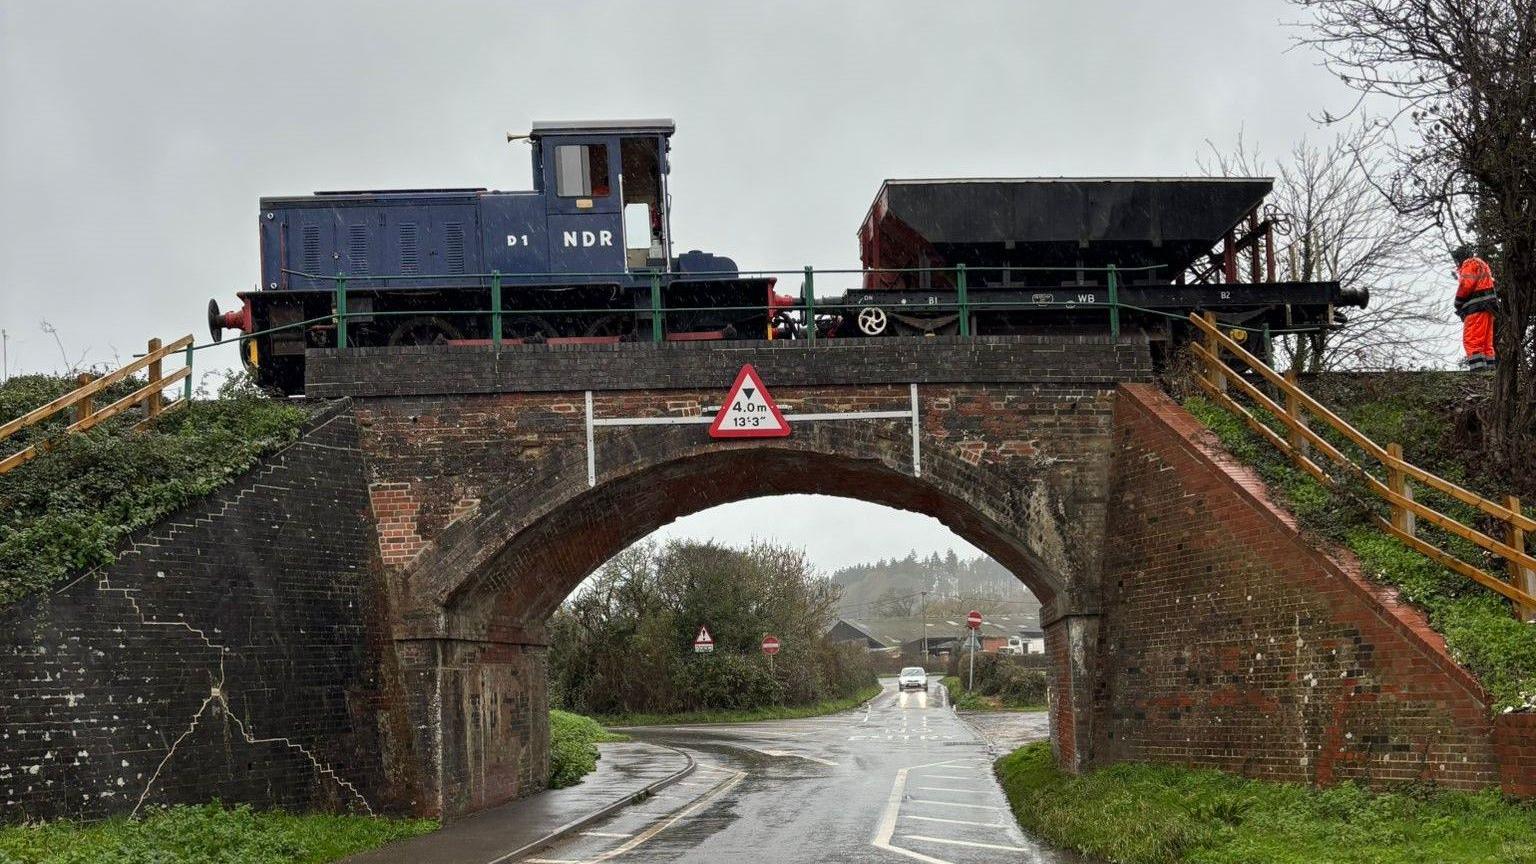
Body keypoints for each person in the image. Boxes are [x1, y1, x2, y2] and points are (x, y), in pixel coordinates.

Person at [1453, 245, 1498, 370]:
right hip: (1488, 309)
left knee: (1472, 340)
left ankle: (1478, 371)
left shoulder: (1469, 264)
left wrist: (1458, 302)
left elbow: (1466, 286)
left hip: (1476, 309)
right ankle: (1489, 370)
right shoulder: (1482, 264)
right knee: (1486, 343)